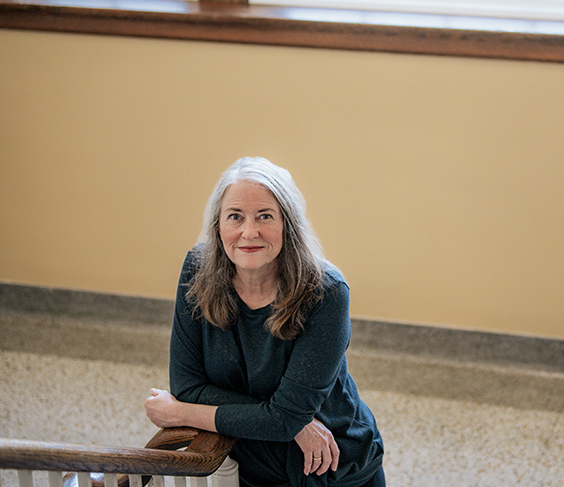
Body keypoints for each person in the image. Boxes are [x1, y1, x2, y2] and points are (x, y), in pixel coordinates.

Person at [144, 157, 385, 487]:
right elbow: (187, 386)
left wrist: (183, 414)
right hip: (251, 459)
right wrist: (284, 419)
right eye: (235, 217)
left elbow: (282, 418)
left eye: (265, 217)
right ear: (218, 226)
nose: (248, 232)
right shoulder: (197, 270)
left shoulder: (326, 291)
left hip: (331, 463)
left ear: (287, 224)